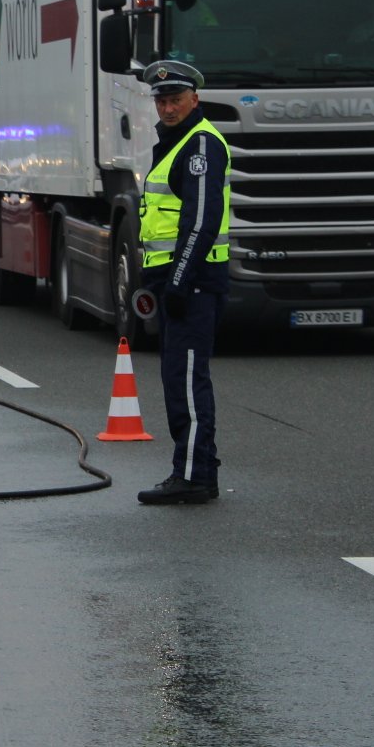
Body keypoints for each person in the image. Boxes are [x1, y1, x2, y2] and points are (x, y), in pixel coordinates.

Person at [137, 59, 231, 505]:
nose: (168, 108)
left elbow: (200, 222)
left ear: (195, 99)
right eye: (161, 100)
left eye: (175, 99)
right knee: (180, 378)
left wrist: (177, 280)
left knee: (188, 380)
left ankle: (194, 476)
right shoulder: (176, 143)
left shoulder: (199, 146)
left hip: (193, 282)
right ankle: (197, 468)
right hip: (181, 280)